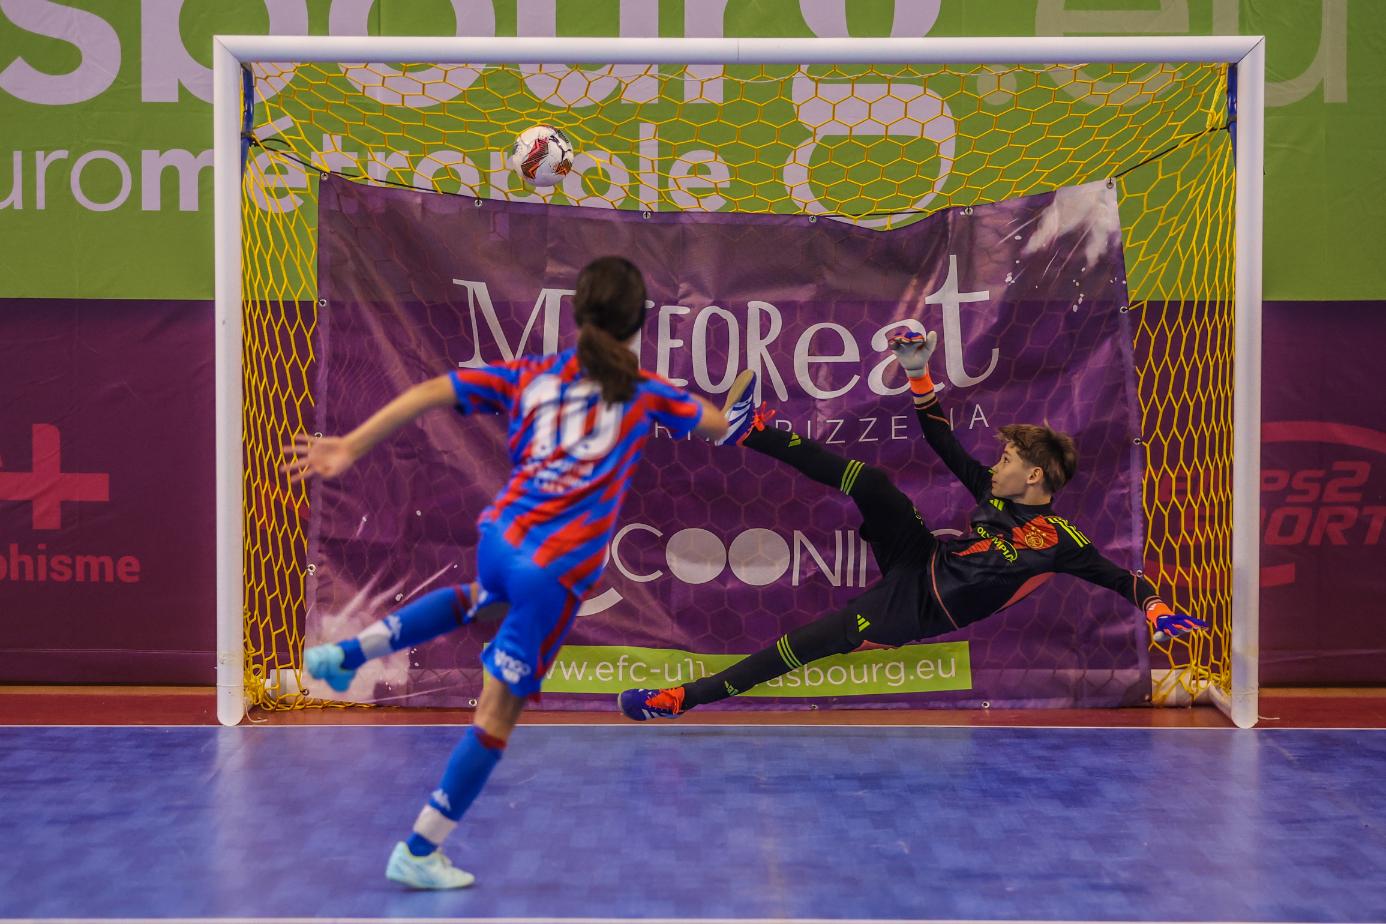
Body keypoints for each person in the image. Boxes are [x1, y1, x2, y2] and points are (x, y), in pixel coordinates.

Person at [283, 256, 756, 889]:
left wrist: (348, 446)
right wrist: (741, 410)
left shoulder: (530, 375)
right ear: (639, 321)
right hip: (550, 572)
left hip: (500, 539)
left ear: (577, 314)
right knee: (495, 718)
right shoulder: (646, 391)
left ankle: (345, 655)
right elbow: (727, 428)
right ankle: (420, 850)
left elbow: (431, 390)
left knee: (481, 598)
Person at [618, 328, 1206, 721]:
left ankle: (676, 700)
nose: (995, 466)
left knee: (800, 646)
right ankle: (748, 430)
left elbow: (1121, 578)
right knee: (876, 486)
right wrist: (917, 374)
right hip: (922, 557)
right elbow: (940, 438)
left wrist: (1156, 609)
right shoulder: (991, 490)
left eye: (1006, 460)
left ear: (1034, 476)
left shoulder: (1061, 541)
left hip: (915, 607)